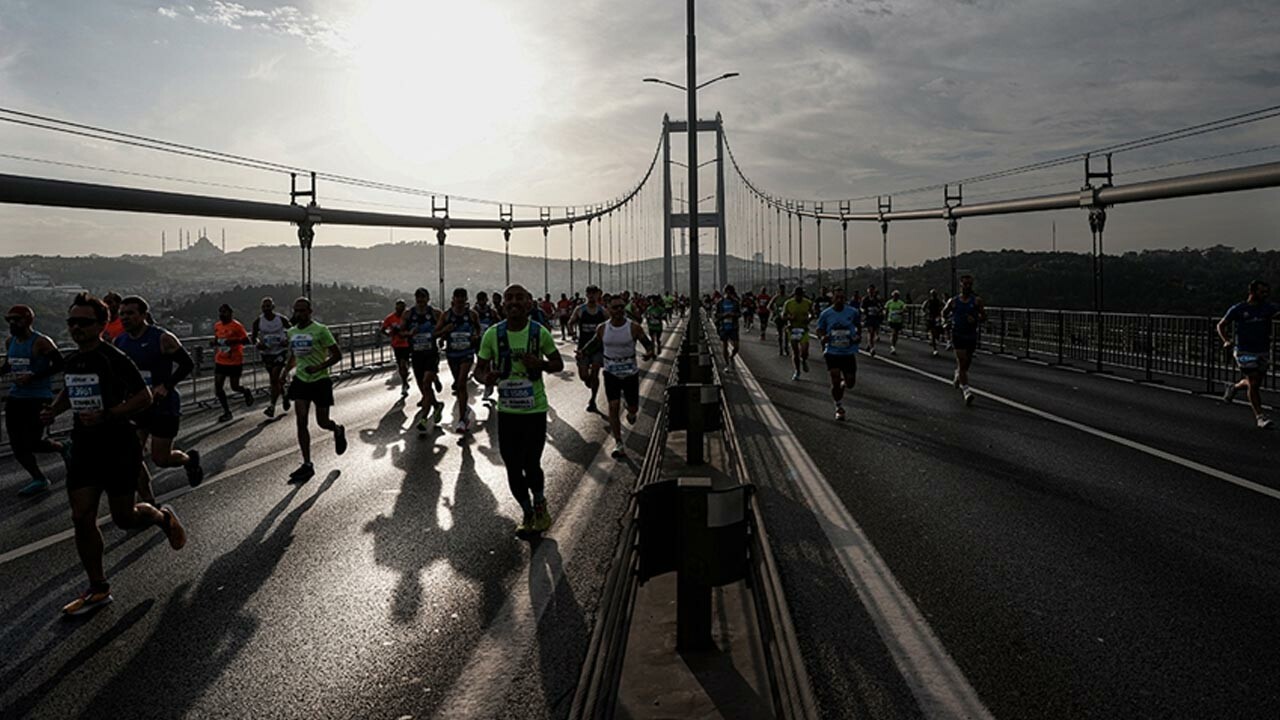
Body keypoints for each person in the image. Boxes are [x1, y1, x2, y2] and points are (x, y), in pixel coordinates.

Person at [41, 293, 187, 616]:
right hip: (85, 446)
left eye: (84, 322)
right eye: (72, 322)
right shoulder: (74, 359)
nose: (76, 328)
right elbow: (71, 387)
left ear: (101, 325)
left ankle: (163, 517)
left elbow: (144, 397)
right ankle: (98, 588)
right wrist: (54, 409)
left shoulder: (114, 358)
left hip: (119, 445)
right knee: (81, 516)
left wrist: (110, 414)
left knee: (124, 518)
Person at [474, 285, 564, 536]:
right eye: (509, 299)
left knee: (531, 463)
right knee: (512, 466)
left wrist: (541, 364)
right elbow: (478, 370)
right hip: (507, 412)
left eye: (519, 298)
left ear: (528, 303)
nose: (513, 303)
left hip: (534, 410)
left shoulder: (539, 333)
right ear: (503, 305)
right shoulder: (493, 334)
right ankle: (526, 512)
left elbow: (558, 363)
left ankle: (539, 504)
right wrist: (486, 378)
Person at [114, 296, 203, 503]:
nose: (125, 318)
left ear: (143, 315)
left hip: (163, 406)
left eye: (130, 313)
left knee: (161, 459)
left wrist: (166, 385)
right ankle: (148, 500)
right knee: (131, 456)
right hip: (137, 406)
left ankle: (189, 460)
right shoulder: (120, 341)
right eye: (122, 314)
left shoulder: (162, 338)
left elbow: (187, 364)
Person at [3, 305, 70, 496]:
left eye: (17, 319)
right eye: (10, 320)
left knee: (33, 441)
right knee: (16, 444)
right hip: (16, 397)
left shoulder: (41, 342)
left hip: (38, 397)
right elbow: (9, 365)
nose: (13, 323)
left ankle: (63, 445)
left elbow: (59, 363)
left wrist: (33, 377)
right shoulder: (10, 342)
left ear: (28, 320)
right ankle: (39, 478)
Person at [285, 297, 347, 481]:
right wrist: (285, 372)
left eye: (303, 310)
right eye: (297, 310)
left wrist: (319, 367)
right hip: (301, 381)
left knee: (322, 422)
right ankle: (307, 464)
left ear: (310, 311)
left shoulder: (321, 330)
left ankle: (336, 429)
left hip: (320, 381)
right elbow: (294, 356)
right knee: (301, 421)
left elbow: (337, 355)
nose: (299, 314)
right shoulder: (292, 332)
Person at [586, 295, 655, 458]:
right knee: (613, 407)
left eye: (621, 307)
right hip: (611, 373)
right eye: (615, 307)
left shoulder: (634, 327)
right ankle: (618, 443)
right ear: (608, 309)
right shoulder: (602, 328)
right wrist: (583, 352)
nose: (618, 311)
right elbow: (595, 343)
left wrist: (650, 352)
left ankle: (631, 411)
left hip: (630, 373)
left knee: (633, 409)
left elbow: (647, 343)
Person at [1218, 280, 1276, 429]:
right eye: (1261, 292)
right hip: (1244, 350)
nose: (1265, 295)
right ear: (1252, 292)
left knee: (1253, 382)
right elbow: (1221, 325)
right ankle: (1260, 417)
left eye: (1266, 292)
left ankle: (1234, 388)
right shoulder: (1238, 309)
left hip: (1262, 350)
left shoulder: (1268, 307)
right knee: (1254, 382)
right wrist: (1226, 340)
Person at [437, 287, 481, 433]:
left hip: (467, 353)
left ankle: (462, 419)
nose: (461, 301)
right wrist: (445, 332)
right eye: (458, 298)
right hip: (452, 354)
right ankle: (465, 410)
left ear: (466, 299)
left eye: (463, 298)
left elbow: (478, 330)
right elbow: (435, 333)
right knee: (458, 383)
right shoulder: (446, 315)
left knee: (461, 383)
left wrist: (475, 336)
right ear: (454, 299)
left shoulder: (472, 315)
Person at [401, 288, 445, 433]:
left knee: (426, 384)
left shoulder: (435, 313)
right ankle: (436, 405)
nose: (420, 300)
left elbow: (444, 328)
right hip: (416, 355)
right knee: (424, 388)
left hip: (431, 354)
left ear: (428, 298)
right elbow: (401, 332)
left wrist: (438, 336)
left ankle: (424, 419)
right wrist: (409, 333)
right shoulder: (409, 314)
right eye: (418, 297)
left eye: (423, 297)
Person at [815, 287, 862, 421]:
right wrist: (822, 337)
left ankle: (843, 384)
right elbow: (819, 329)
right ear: (833, 298)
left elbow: (858, 326)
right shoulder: (826, 314)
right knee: (835, 379)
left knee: (850, 383)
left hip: (848, 352)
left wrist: (858, 336)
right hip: (832, 352)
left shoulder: (852, 312)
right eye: (837, 297)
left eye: (842, 297)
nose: (840, 300)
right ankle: (838, 407)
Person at [942, 274, 986, 406]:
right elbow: (944, 313)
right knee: (961, 361)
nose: (967, 286)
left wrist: (977, 319)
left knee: (967, 362)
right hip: (958, 334)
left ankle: (958, 373)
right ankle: (966, 391)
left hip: (971, 334)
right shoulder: (953, 301)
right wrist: (945, 322)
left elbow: (984, 316)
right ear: (960, 285)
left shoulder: (977, 301)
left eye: (969, 284)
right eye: (965, 284)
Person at [211, 304, 254, 422]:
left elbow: (246, 340)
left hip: (235, 360)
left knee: (234, 387)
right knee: (218, 387)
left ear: (230, 313)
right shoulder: (217, 325)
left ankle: (246, 392)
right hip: (221, 360)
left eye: (224, 312)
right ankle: (227, 412)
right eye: (220, 312)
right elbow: (217, 339)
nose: (222, 314)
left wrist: (233, 341)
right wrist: (214, 343)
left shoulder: (237, 326)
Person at [568, 285, 608, 413]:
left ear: (598, 295)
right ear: (586, 295)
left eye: (593, 293)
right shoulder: (580, 309)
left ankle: (593, 400)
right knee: (584, 376)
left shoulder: (602, 311)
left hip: (597, 348)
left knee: (595, 371)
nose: (591, 296)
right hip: (583, 349)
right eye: (589, 293)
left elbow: (611, 323)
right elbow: (570, 322)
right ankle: (589, 381)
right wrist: (572, 332)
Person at [252, 296, 293, 416]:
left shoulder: (281, 319)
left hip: (280, 352)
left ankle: (272, 407)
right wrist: (258, 344)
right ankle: (284, 394)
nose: (266, 309)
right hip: (267, 353)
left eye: (268, 306)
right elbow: (253, 337)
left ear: (273, 307)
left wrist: (287, 340)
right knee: (275, 380)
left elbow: (293, 331)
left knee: (274, 378)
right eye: (264, 307)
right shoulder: (258, 321)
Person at [782, 287, 814, 381]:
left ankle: (803, 360)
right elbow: (783, 316)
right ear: (794, 295)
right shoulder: (788, 303)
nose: (799, 297)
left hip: (803, 330)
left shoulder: (807, 303)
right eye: (798, 295)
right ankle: (797, 371)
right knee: (795, 352)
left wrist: (808, 319)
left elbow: (812, 314)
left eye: (801, 295)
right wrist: (790, 318)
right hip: (792, 330)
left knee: (804, 351)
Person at [381, 299, 411, 398]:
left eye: (402, 308)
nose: (400, 310)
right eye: (398, 308)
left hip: (407, 344)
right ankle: (405, 382)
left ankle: (405, 381)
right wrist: (389, 334)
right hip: (396, 345)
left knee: (403, 364)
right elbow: (382, 329)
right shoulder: (390, 318)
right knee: (401, 366)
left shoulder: (408, 317)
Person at [474, 292, 501, 401]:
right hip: (479, 343)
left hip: (491, 341)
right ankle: (488, 384)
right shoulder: (473, 312)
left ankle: (489, 386)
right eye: (479, 299)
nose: (482, 302)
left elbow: (499, 323)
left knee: (490, 365)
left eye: (483, 299)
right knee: (483, 364)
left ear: (486, 300)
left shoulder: (491, 312)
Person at [716, 284, 742, 368]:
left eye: (730, 292)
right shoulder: (720, 303)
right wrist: (724, 315)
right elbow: (716, 315)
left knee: (736, 347)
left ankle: (732, 356)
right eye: (727, 292)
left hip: (733, 327)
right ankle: (727, 364)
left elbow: (739, 314)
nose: (728, 294)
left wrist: (733, 314)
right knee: (724, 346)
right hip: (724, 327)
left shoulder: (735, 302)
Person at [861, 285, 884, 356]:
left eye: (872, 291)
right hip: (869, 317)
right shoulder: (865, 299)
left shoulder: (877, 299)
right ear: (868, 291)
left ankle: (869, 344)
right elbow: (861, 307)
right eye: (870, 291)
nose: (871, 292)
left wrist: (880, 311)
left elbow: (881, 307)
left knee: (873, 332)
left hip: (875, 317)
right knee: (870, 331)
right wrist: (864, 311)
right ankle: (872, 348)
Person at [922, 289, 945, 356]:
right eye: (933, 294)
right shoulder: (928, 301)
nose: (933, 295)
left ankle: (934, 340)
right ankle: (935, 348)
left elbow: (944, 307)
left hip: (936, 318)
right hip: (930, 318)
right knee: (932, 332)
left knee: (937, 332)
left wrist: (941, 313)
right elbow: (923, 307)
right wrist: (926, 313)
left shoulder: (938, 302)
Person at [885, 290, 907, 354]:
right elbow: (886, 309)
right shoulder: (889, 302)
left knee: (896, 334)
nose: (895, 297)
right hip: (891, 320)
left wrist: (902, 311)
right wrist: (885, 314)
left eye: (897, 296)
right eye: (894, 296)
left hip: (898, 320)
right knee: (894, 332)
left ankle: (893, 343)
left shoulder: (900, 303)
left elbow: (905, 308)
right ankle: (893, 346)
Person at [770, 284, 790, 356]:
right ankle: (781, 348)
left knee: (787, 333)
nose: (782, 291)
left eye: (783, 289)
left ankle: (786, 348)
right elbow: (769, 306)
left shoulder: (787, 298)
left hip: (785, 318)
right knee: (780, 334)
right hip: (778, 317)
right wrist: (774, 312)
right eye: (780, 289)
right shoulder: (776, 297)